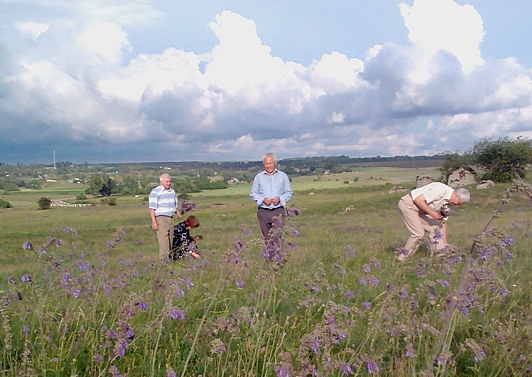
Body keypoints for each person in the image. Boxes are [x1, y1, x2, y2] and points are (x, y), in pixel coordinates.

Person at [397, 182, 470, 261]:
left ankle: (439, 255)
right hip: (409, 205)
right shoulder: (440, 190)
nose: (457, 205)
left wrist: (445, 244)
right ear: (456, 195)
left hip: (422, 210)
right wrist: (433, 213)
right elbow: (419, 200)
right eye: (458, 203)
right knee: (418, 234)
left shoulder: (447, 205)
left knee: (436, 228)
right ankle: (402, 259)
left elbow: (442, 224)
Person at [250, 153, 293, 242]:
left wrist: (280, 199)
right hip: (263, 212)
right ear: (263, 164)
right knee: (267, 239)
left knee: (277, 238)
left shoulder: (282, 176)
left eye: (270, 163)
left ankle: (278, 255)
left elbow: (288, 192)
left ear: (275, 163)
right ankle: (269, 256)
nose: (268, 166)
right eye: (266, 164)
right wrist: (262, 200)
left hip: (278, 210)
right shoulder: (259, 177)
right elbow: (253, 193)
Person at [149, 173, 181, 260]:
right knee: (164, 243)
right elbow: (152, 209)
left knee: (170, 241)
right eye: (166, 181)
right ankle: (164, 263)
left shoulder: (172, 191)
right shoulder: (156, 192)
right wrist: (154, 222)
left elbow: (174, 205)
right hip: (161, 218)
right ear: (161, 182)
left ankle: (169, 259)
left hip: (170, 218)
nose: (168, 183)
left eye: (169, 181)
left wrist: (177, 211)